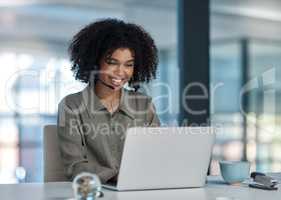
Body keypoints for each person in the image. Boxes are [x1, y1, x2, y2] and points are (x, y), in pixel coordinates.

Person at [57, 18, 160, 184]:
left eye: (128, 65)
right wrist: (117, 176)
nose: (120, 72)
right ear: (95, 61)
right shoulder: (72, 105)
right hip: (95, 192)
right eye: (112, 63)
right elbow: (74, 166)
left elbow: (157, 155)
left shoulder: (144, 105)